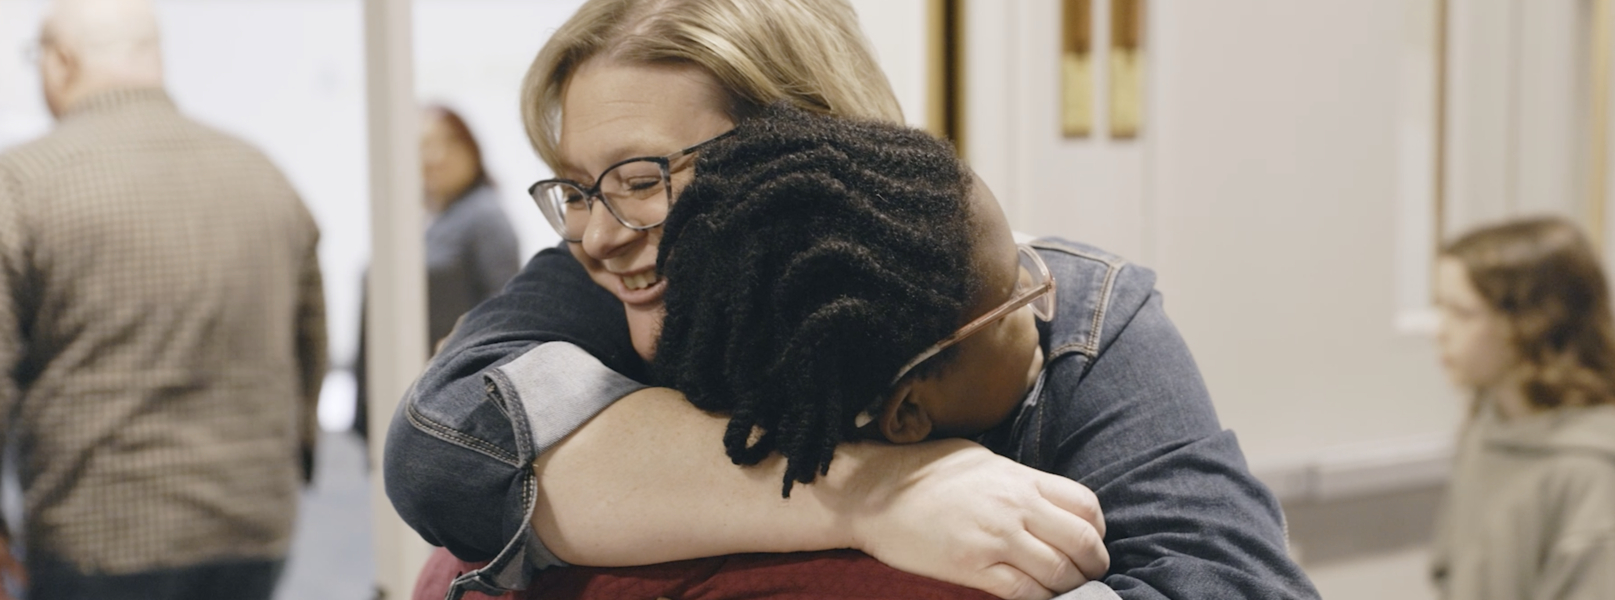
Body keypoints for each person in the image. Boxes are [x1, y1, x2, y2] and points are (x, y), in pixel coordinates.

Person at [384, 1, 1310, 599]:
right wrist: (872, 496)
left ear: (804, 144)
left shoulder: (1071, 315)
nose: (596, 234)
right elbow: (448, 446)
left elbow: (1232, 585)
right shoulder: (598, 274)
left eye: (640, 178)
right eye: (576, 188)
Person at [0, 0, 328, 599]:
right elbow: (309, 340)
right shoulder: (260, 173)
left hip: (96, 531)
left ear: (61, 60)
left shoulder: (21, 183)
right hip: (252, 523)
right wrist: (296, 455)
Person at [1429, 216, 1615, 600]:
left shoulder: (1591, 478)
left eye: (1463, 313)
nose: (1440, 330)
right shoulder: (1488, 431)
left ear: (1531, 324)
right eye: (1440, 308)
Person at [353, 106, 519, 440]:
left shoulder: (484, 217)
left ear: (472, 149)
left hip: (450, 408)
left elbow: (505, 313)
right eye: (422, 146)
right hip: (406, 394)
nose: (435, 156)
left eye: (449, 142)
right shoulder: (425, 219)